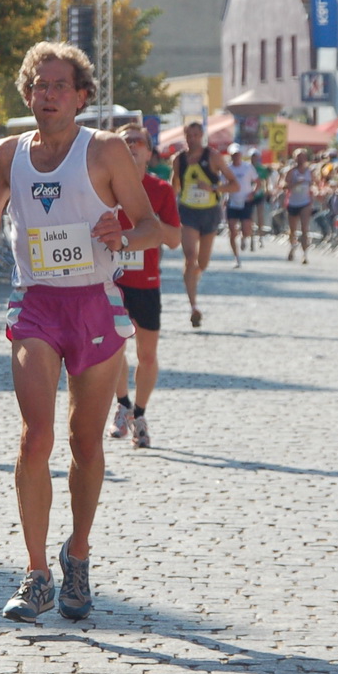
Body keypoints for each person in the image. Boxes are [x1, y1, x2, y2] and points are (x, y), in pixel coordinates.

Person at [0, 42, 160, 623]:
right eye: (39, 86)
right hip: (36, 303)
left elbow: (152, 227)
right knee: (34, 437)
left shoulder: (106, 150)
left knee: (84, 443)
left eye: (60, 85)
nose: (48, 95)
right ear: (27, 94)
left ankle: (78, 554)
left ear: (82, 96)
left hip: (94, 305)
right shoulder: (8, 154)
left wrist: (123, 234)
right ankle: (37, 572)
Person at [110, 123, 181, 448]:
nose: (132, 146)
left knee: (147, 355)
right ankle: (122, 404)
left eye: (138, 141)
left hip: (146, 281)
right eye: (125, 141)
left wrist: (149, 221)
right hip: (111, 281)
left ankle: (139, 413)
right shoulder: (104, 186)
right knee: (113, 350)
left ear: (150, 152)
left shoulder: (161, 190)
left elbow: (175, 240)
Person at [170, 122, 237, 326]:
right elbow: (173, 187)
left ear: (202, 136)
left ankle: (193, 277)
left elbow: (235, 185)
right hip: (188, 212)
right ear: (184, 136)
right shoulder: (179, 160)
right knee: (190, 258)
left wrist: (213, 188)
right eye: (189, 135)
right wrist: (167, 211)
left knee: (203, 263)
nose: (192, 139)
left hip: (210, 212)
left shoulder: (214, 157)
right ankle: (193, 307)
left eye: (196, 135)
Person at [224, 144, 256, 267]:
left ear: (241, 155)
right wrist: (225, 196)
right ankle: (236, 257)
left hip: (245, 201)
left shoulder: (248, 167)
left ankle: (244, 237)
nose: (236, 157)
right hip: (232, 201)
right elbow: (223, 184)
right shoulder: (227, 169)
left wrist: (253, 193)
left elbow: (257, 182)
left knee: (246, 229)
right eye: (234, 155)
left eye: (237, 154)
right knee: (232, 230)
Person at [283, 149, 315, 263]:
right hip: (293, 202)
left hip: (305, 202)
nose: (301, 159)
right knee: (293, 230)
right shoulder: (291, 172)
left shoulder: (309, 172)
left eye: (302, 157)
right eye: (298, 157)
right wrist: (296, 183)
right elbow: (284, 186)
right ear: (295, 158)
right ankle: (292, 248)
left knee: (305, 229)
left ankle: (305, 255)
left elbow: (313, 184)